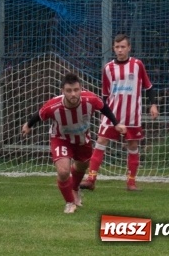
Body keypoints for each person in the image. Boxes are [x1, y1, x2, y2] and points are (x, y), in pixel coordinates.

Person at [21, 73, 126, 214]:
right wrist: (28, 126)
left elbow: (104, 108)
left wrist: (116, 123)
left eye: (76, 90)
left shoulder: (90, 99)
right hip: (61, 138)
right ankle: (70, 203)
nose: (73, 94)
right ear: (62, 91)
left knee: (82, 166)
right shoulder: (53, 106)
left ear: (81, 89)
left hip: (82, 138)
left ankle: (75, 188)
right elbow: (38, 115)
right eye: (69, 91)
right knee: (63, 171)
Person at [80, 33, 159, 192]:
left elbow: (148, 87)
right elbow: (105, 94)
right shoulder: (108, 68)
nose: (120, 50)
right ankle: (91, 179)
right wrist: (102, 111)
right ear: (113, 48)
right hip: (112, 114)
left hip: (132, 115)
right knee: (101, 141)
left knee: (132, 144)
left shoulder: (137, 65)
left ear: (129, 48)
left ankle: (131, 182)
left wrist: (153, 104)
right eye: (117, 47)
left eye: (123, 47)